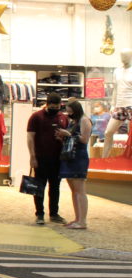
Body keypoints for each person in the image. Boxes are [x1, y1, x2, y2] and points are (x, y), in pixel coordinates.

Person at [26, 92, 69, 225]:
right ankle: (39, 214)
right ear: (47, 104)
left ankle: (54, 213)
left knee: (55, 187)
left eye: (57, 106)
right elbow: (30, 137)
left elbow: (68, 137)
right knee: (39, 186)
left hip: (57, 159)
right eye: (53, 106)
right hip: (41, 157)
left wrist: (63, 138)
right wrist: (32, 156)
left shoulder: (62, 117)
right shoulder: (36, 117)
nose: (55, 109)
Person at [58, 98, 91, 229]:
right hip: (70, 156)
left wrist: (68, 134)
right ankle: (77, 218)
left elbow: (84, 139)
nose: (69, 114)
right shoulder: (74, 121)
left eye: (70, 112)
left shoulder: (84, 120)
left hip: (79, 158)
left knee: (80, 190)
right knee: (74, 191)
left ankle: (82, 221)